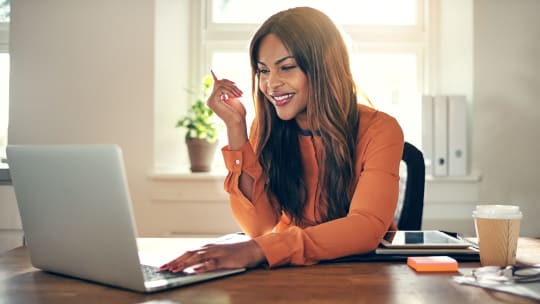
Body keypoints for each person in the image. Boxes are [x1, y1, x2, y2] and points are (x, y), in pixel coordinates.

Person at [160, 6, 404, 273]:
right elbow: (258, 226)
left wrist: (260, 250)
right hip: (289, 272)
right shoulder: (267, 128)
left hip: (359, 275)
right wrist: (236, 128)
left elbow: (366, 227)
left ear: (324, 67)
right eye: (263, 71)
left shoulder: (380, 129)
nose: (271, 84)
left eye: (286, 68)